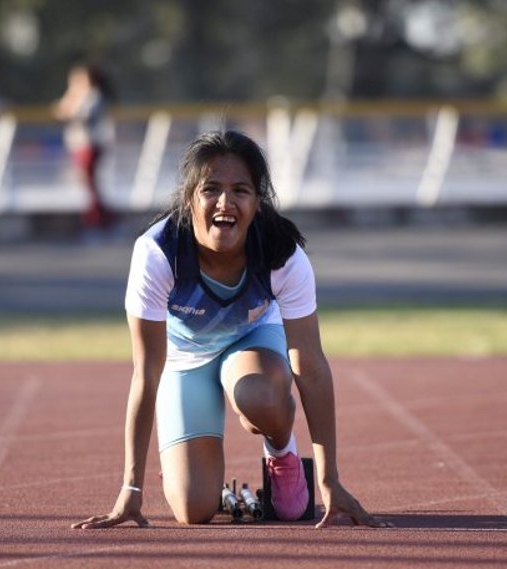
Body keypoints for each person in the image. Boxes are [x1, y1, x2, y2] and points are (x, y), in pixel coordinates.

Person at [72, 130, 391, 529]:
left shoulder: (282, 254)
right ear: (189, 199)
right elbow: (147, 373)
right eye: (211, 189)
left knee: (259, 397)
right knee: (193, 510)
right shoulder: (157, 253)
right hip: (183, 358)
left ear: (258, 202)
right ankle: (187, 472)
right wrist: (131, 488)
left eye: (241, 190)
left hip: (251, 340)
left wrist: (329, 480)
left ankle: (281, 451)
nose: (225, 203)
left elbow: (309, 366)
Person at [53, 60, 117, 230]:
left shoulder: (94, 96)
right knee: (86, 184)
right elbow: (59, 113)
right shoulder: (77, 95)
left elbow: (80, 117)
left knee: (90, 184)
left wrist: (69, 108)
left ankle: (99, 220)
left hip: (90, 144)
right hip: (79, 145)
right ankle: (97, 219)